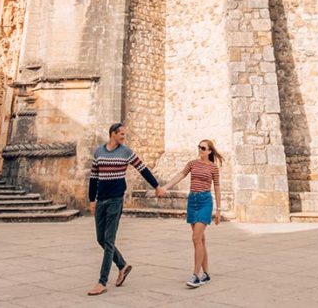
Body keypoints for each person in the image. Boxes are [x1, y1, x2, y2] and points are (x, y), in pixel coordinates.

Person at [87, 122, 164, 296]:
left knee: (108, 240)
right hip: (101, 200)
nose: (124, 137)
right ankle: (122, 266)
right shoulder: (99, 152)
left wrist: (156, 186)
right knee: (101, 239)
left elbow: (143, 169)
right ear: (112, 134)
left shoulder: (126, 152)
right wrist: (92, 200)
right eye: (121, 134)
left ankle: (102, 281)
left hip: (115, 201)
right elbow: (93, 178)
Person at [158, 139, 223, 288]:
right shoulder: (192, 164)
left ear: (209, 151)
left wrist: (219, 210)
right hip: (192, 201)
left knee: (195, 238)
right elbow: (180, 175)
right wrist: (165, 187)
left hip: (205, 201)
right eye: (199, 147)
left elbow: (217, 188)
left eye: (203, 148)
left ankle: (196, 275)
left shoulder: (213, 168)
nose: (200, 150)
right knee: (200, 240)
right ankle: (206, 274)